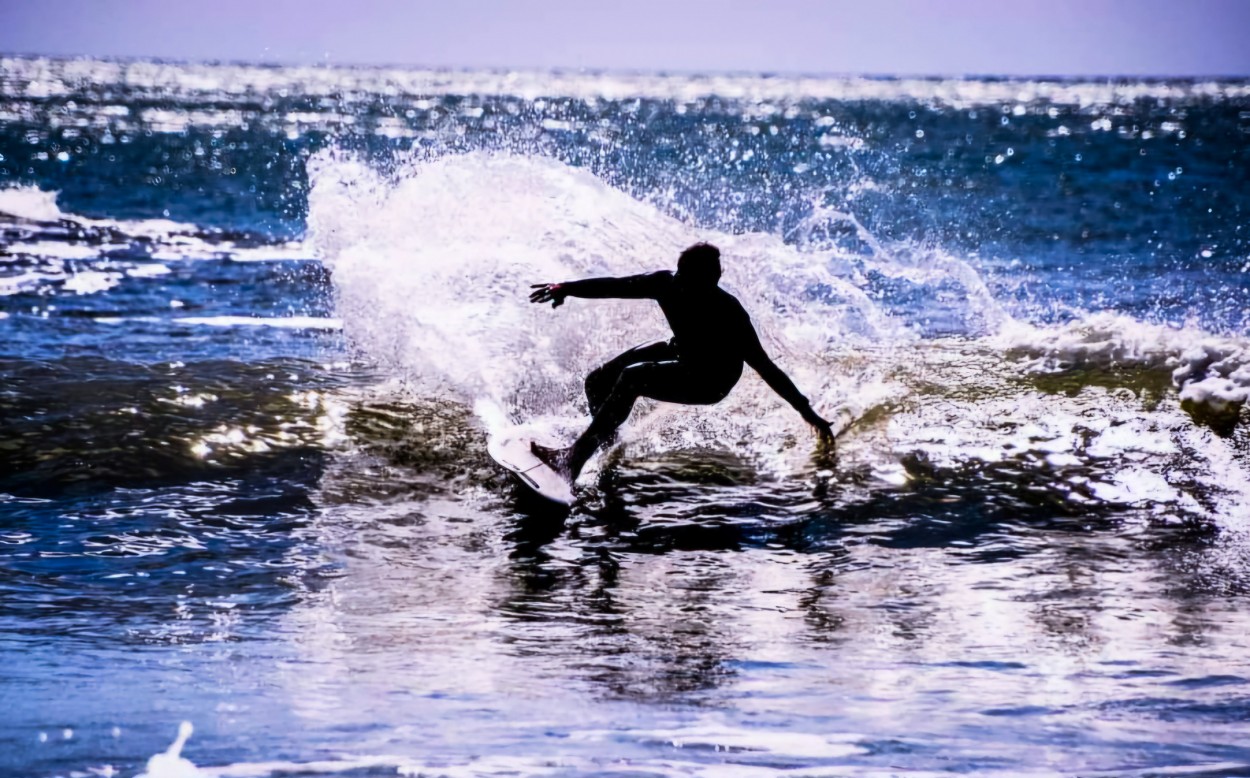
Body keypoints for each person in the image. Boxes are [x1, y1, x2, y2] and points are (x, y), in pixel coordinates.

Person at [529, 242, 835, 482]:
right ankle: (608, 445)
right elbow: (614, 285)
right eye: (698, 280)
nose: (706, 287)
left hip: (712, 380)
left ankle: (572, 461)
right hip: (682, 352)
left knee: (633, 377)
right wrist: (566, 288)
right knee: (598, 381)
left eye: (713, 280)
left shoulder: (729, 313)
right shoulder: (666, 283)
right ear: (682, 273)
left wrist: (807, 412)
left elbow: (767, 368)